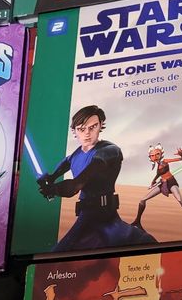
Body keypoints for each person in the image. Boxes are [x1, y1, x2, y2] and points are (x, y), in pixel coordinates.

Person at [37, 105, 156, 252]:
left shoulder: (109, 151)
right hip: (86, 215)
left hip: (105, 217)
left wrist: (53, 189)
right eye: (81, 129)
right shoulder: (76, 154)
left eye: (92, 127)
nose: (87, 133)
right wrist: (50, 178)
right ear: (74, 131)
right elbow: (66, 162)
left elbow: (76, 185)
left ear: (100, 125)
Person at [132, 144, 182, 235]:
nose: (155, 157)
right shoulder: (158, 165)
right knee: (143, 200)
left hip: (171, 182)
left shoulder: (165, 161)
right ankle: (137, 221)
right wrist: (153, 181)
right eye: (152, 155)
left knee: (180, 200)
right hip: (162, 184)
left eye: (157, 154)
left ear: (161, 154)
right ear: (150, 157)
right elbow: (159, 174)